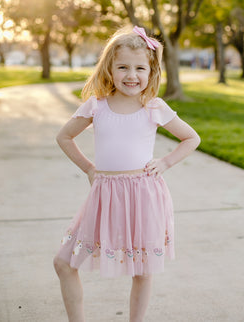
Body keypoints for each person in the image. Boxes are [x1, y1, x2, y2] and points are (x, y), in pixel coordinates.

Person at [53, 25, 201, 322]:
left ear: (151, 71)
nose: (131, 75)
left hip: (143, 194)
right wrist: (90, 169)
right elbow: (64, 137)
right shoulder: (96, 106)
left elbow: (191, 138)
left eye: (139, 68)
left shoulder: (153, 107)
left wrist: (166, 162)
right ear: (109, 68)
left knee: (143, 271)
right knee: (64, 263)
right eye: (122, 67)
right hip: (104, 195)